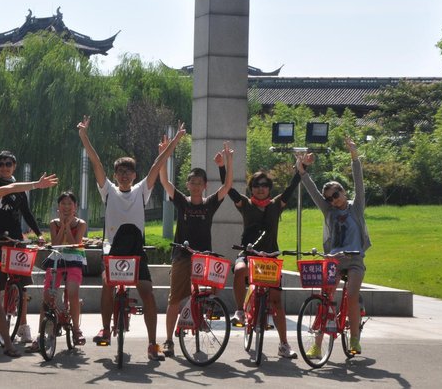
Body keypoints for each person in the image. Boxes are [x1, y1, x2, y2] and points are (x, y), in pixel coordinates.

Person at [78, 115, 185, 361]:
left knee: (147, 292)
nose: (124, 176)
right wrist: (84, 136)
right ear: (115, 175)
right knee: (107, 283)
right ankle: (105, 327)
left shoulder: (141, 191)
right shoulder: (108, 190)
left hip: (136, 250)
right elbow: (95, 162)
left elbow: (157, 164)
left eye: (128, 172)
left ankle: (151, 343)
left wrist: (176, 140)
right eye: (120, 172)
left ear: (134, 175)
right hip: (112, 249)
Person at [0, 112, 50, 352]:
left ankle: (23, 326)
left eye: (9, 164)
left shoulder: (20, 190)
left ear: (14, 166)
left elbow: (27, 214)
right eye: (1, 164)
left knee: (21, 287)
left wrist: (39, 233)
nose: (4, 167)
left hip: (15, 243)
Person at [220, 156, 302, 359]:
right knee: (239, 270)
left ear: (269, 188)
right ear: (251, 188)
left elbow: (292, 188)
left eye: (264, 185)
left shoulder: (276, 205)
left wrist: (303, 167)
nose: (260, 188)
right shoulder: (245, 204)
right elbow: (228, 188)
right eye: (256, 185)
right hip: (249, 255)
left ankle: (284, 344)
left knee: (276, 303)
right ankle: (240, 310)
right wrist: (222, 166)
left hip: (270, 258)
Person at [297, 136, 370, 356]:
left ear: (343, 193)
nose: (333, 200)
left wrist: (354, 156)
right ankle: (317, 345)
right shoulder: (328, 211)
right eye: (329, 198)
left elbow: (359, 183)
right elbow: (310, 189)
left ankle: (355, 338)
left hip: (355, 259)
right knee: (325, 297)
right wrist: (301, 169)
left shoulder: (355, 208)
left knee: (353, 294)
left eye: (336, 195)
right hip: (334, 261)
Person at [159, 141, 233, 358]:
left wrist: (228, 161)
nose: (196, 185)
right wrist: (164, 153)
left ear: (205, 185)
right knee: (174, 299)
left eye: (200, 182)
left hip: (204, 258)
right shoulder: (182, 201)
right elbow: (164, 180)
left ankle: (199, 319)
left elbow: (227, 186)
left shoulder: (210, 203)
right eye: (192, 182)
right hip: (182, 255)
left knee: (208, 294)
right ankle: (169, 340)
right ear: (188, 184)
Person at [27, 191, 88, 352]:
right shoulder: (54, 223)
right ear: (58, 207)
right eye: (63, 204)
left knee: (73, 292)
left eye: (70, 204)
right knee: (47, 296)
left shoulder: (81, 223)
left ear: (75, 207)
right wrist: (62, 225)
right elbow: (56, 243)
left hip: (74, 259)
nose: (66, 207)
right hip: (57, 259)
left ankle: (76, 329)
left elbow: (75, 243)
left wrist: (68, 226)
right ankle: (41, 334)